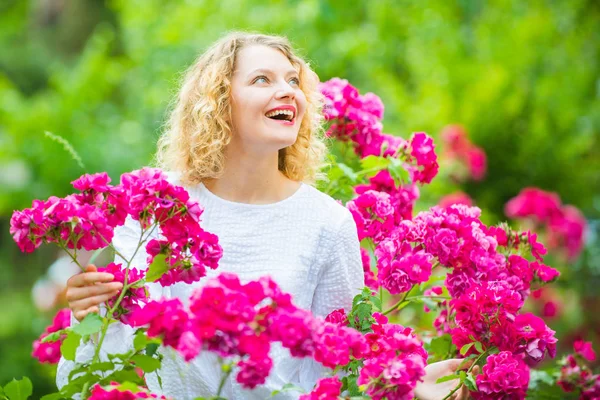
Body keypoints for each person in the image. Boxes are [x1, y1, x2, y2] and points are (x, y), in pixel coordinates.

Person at [59, 32, 472, 400]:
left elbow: (341, 365)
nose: (288, 91)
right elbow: (100, 365)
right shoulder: (157, 205)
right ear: (220, 102)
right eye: (263, 79)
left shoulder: (327, 223)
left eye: (293, 81)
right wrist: (91, 314)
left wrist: (405, 385)